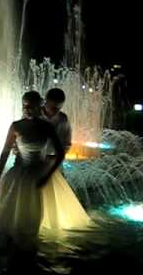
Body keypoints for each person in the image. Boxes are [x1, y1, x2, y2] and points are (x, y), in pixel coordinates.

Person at [0, 91, 65, 249]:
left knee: (36, 218)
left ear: (39, 106)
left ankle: (30, 248)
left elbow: (60, 154)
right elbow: (5, 152)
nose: (27, 109)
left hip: (40, 174)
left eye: (31, 106)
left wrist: (47, 176)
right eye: (24, 106)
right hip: (19, 173)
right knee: (9, 220)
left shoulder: (47, 127)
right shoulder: (16, 126)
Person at [40, 88, 91, 231]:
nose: (56, 110)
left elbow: (67, 144)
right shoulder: (35, 114)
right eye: (53, 107)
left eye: (59, 107)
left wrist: (56, 157)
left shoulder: (63, 119)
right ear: (46, 101)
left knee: (55, 192)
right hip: (35, 160)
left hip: (54, 161)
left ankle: (51, 220)